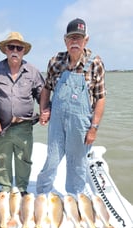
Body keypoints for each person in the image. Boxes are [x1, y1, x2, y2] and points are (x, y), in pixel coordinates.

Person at [36, 18, 106, 196]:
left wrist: (94, 128)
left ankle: (75, 198)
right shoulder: (55, 61)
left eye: (79, 38)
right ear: (65, 40)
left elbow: (100, 98)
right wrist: (44, 110)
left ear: (86, 40)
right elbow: (46, 89)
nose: (75, 42)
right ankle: (42, 194)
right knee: (52, 160)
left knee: (77, 164)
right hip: (57, 123)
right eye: (71, 38)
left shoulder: (95, 63)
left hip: (81, 123)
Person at [0, 32, 44, 196]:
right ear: (6, 49)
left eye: (19, 48)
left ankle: (22, 188)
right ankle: (5, 187)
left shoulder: (33, 71)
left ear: (23, 51)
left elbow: (42, 94)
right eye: (11, 47)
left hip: (24, 125)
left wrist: (45, 111)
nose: (15, 50)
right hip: (1, 125)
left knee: (23, 158)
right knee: (1, 158)